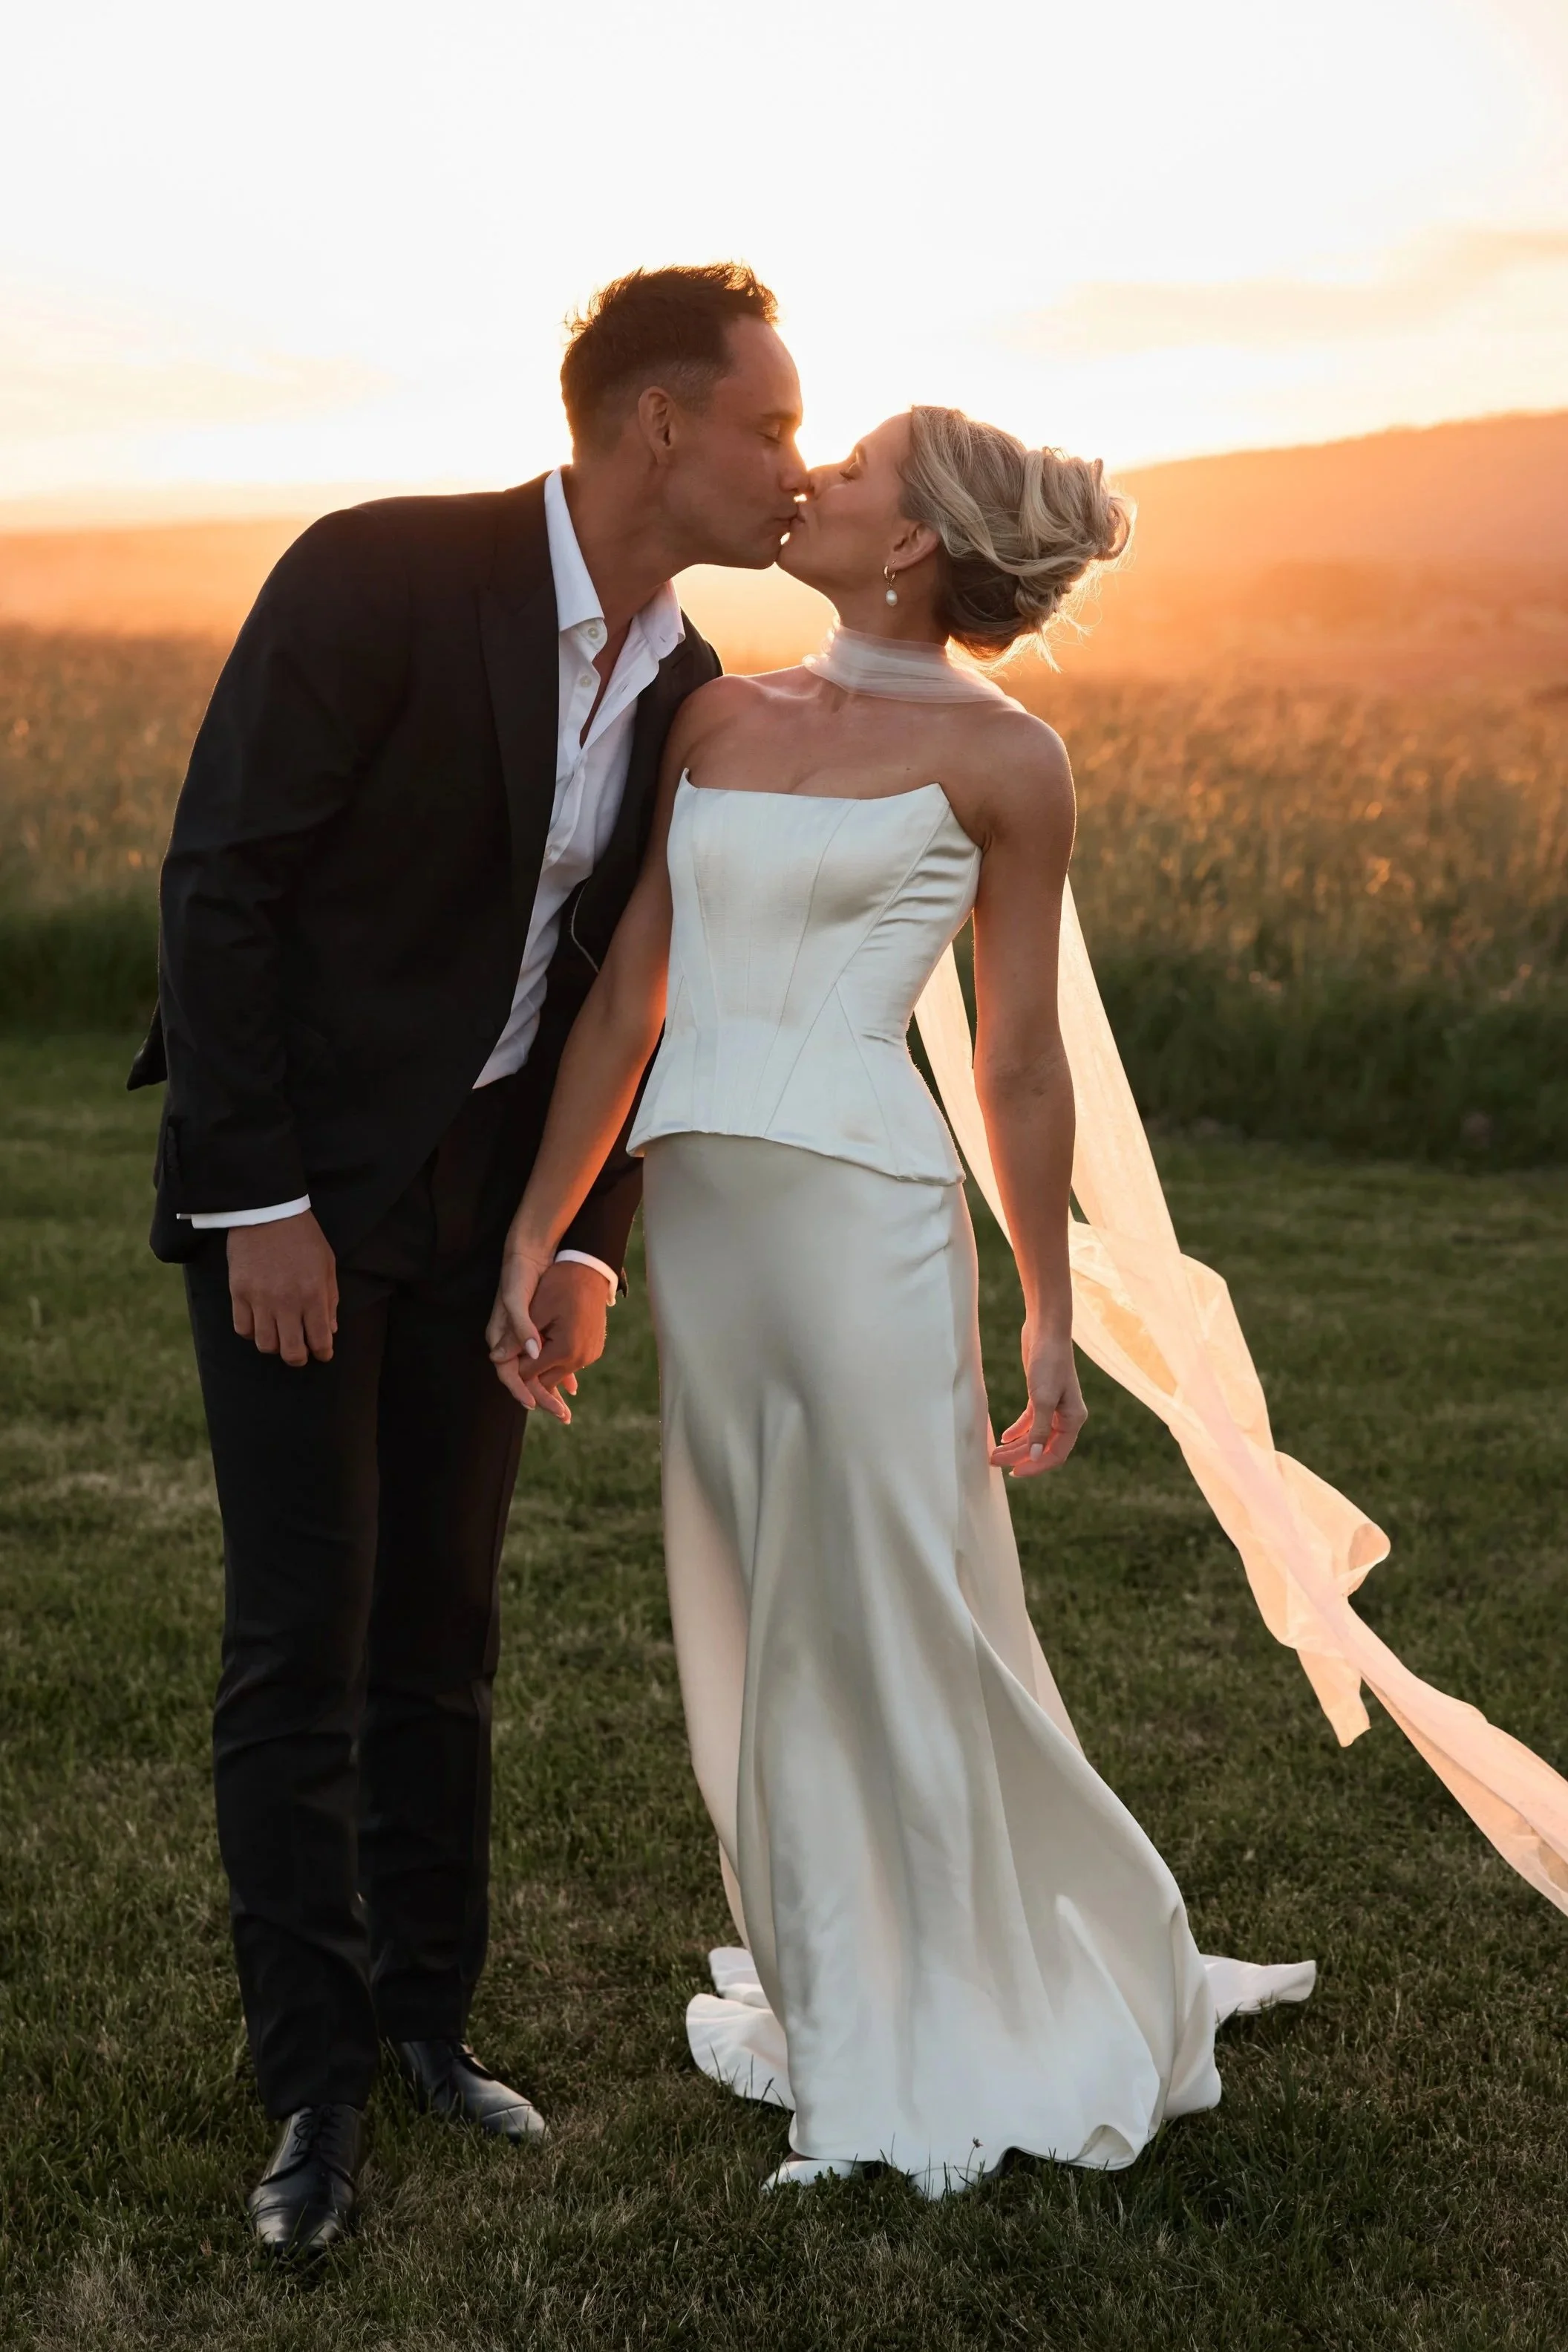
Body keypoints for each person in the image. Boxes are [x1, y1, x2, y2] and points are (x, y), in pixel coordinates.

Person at [487, 405, 1313, 2198]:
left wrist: (1042, 1310)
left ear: (916, 539)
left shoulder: (1014, 760)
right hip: (707, 1218)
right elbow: (630, 992)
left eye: (848, 469)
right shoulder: (715, 711)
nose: (813, 484)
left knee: (885, 1605)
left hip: (871, 1215)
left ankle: (907, 2042)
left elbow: (1017, 1058)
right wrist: (545, 1230)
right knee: (760, 1589)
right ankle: (836, 1976)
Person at [130, 264, 808, 2258]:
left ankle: (428, 2017)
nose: (798, 461)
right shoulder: (379, 575)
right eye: (770, 423)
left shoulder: (692, 686)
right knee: (304, 1630)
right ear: (660, 426)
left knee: (444, 1621)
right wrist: (261, 1203)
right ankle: (312, 2086)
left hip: (489, 1212)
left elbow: (631, 989)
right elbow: (221, 880)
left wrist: (585, 1235)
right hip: (302, 1193)